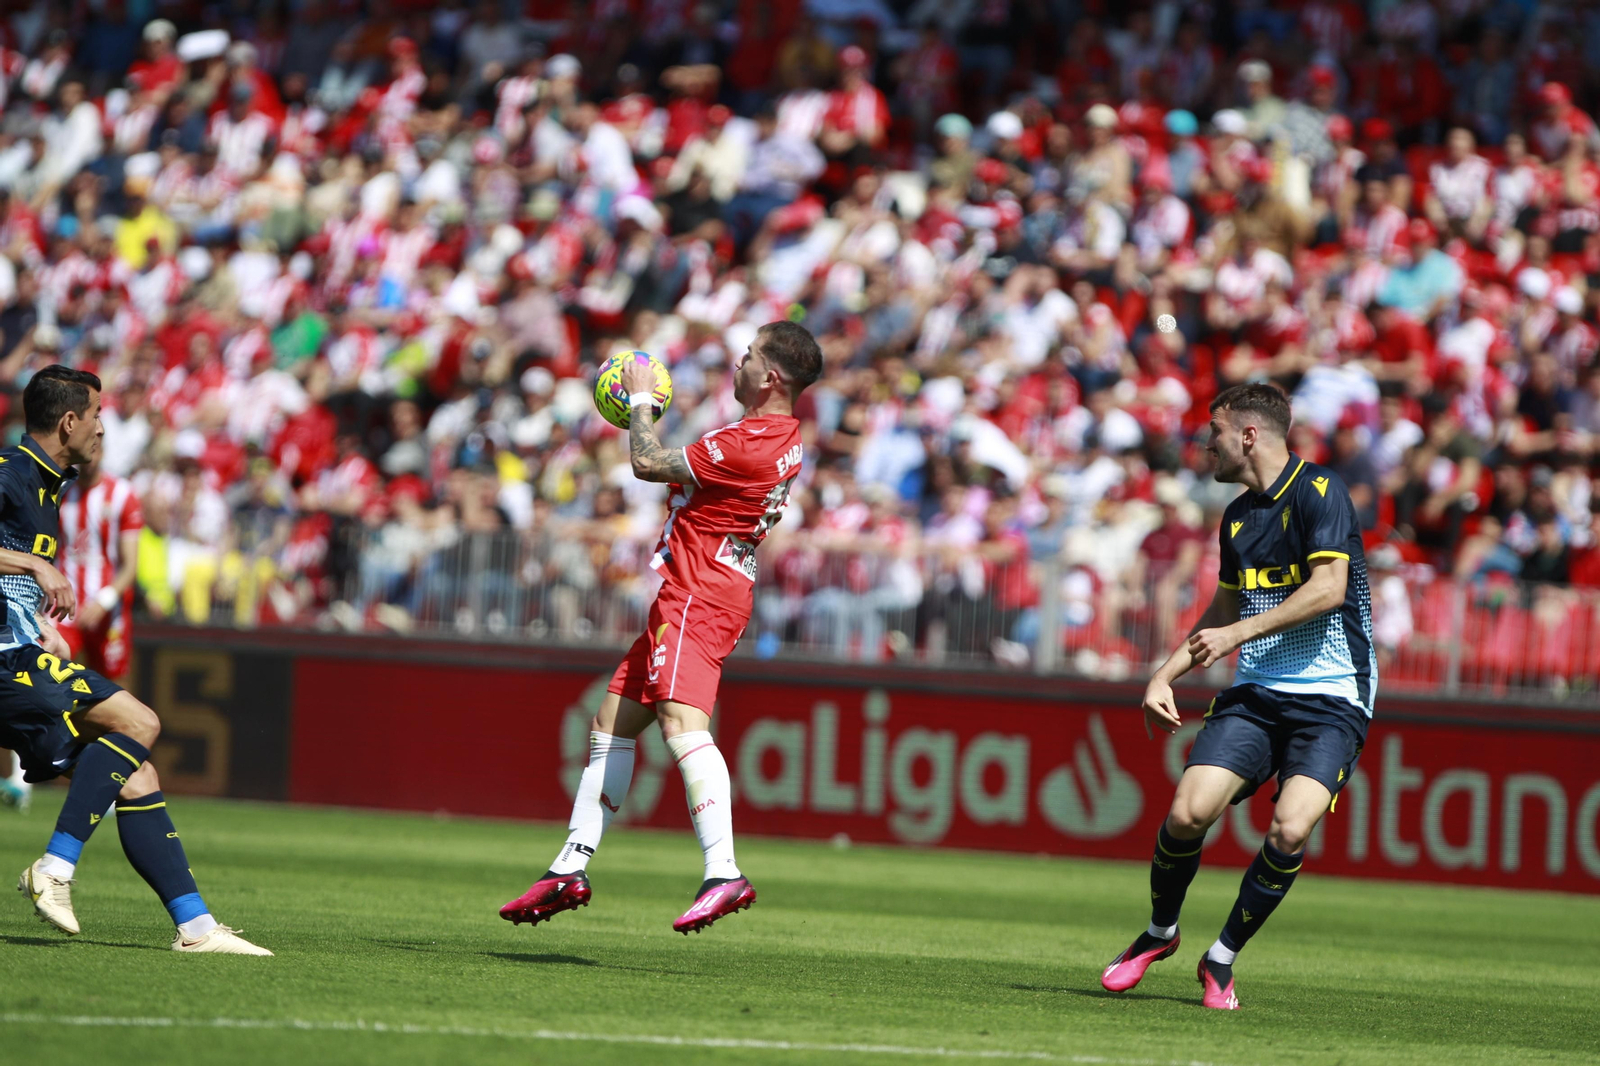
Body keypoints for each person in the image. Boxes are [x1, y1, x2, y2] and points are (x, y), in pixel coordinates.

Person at [499, 321, 823, 935]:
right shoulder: (778, 436)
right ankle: (570, 865)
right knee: (611, 723)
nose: (739, 361)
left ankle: (723, 871)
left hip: (699, 593)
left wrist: (641, 401)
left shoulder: (753, 442)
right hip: (697, 587)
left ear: (771, 376)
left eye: (749, 355)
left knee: (682, 725)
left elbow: (647, 462)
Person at [1100, 383, 1373, 1010]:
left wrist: (1237, 634)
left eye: (1213, 432)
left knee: (1290, 827)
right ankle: (1160, 933)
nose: (1205, 445)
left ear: (1248, 435)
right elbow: (1223, 605)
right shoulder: (1238, 516)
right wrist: (1163, 674)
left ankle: (1220, 958)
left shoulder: (1321, 493)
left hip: (1333, 697)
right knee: (1187, 813)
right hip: (1257, 692)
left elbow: (1328, 589)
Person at [4, 366, 270, 955]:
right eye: (97, 415)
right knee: (140, 722)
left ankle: (196, 928)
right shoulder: (10, 471)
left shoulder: (49, 483)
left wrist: (39, 622)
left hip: (20, 649)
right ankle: (54, 868)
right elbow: (20, 562)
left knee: (137, 773)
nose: (103, 428)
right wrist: (37, 568)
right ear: (69, 421)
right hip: (2, 663)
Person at [56, 454, 143, 684]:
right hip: (64, 607)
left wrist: (103, 601)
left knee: (114, 686)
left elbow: (130, 566)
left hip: (108, 611)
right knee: (50, 673)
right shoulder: (60, 491)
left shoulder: (122, 494)